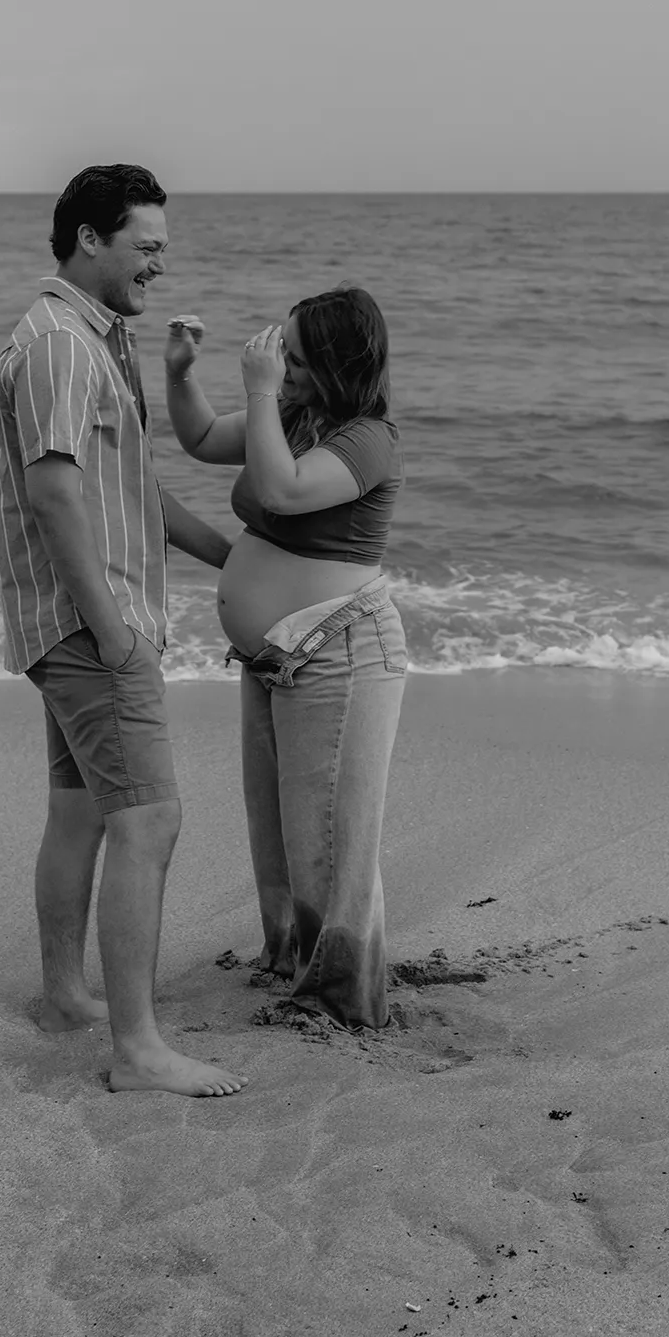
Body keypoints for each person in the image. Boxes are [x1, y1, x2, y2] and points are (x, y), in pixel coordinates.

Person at [0, 163, 245, 1098]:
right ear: (90, 239)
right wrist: (113, 628)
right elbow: (55, 492)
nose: (158, 268)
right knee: (151, 816)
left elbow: (128, 487)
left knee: (83, 809)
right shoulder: (61, 344)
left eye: (163, 250)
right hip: (93, 625)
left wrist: (232, 558)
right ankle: (137, 1050)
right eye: (146, 247)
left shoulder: (88, 338)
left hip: (76, 624)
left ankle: (66, 996)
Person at [164, 287, 405, 1029]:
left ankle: (341, 997)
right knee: (278, 828)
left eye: (297, 359)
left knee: (329, 833)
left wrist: (262, 390)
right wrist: (179, 374)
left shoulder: (368, 439)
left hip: (340, 653)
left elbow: (282, 489)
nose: (284, 368)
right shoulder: (294, 416)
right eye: (283, 355)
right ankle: (296, 962)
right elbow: (203, 439)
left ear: (333, 364)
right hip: (277, 659)